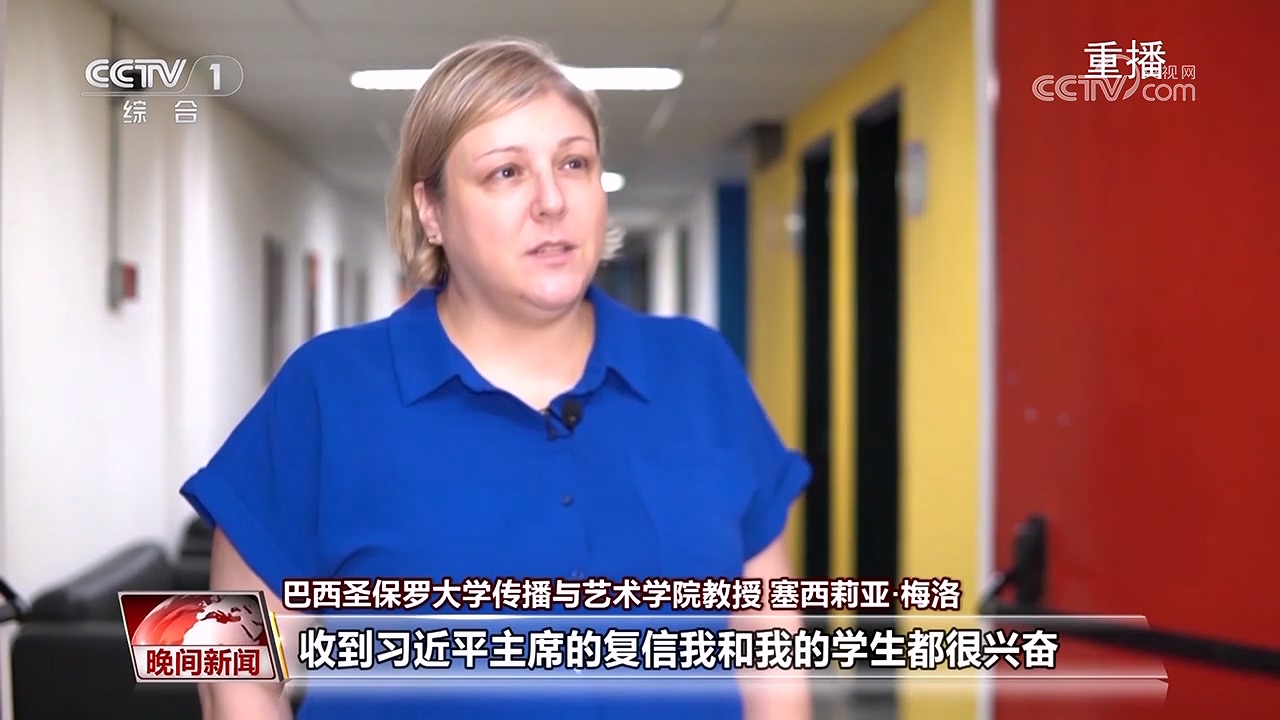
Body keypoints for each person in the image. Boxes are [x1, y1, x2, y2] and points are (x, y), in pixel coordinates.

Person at [182, 36, 812, 720]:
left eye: (574, 163)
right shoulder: (327, 390)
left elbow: (772, 650)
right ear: (431, 210)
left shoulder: (698, 369)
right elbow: (228, 672)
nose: (551, 199)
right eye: (506, 172)